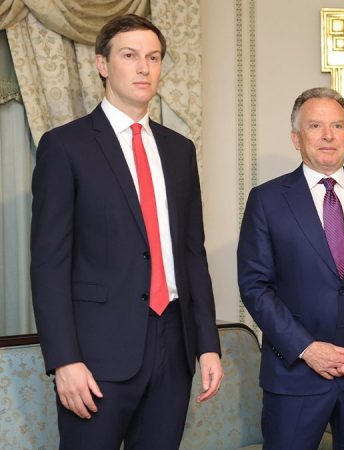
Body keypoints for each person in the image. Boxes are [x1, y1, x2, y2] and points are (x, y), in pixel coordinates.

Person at [30, 14, 223, 449]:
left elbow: (192, 254)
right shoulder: (65, 146)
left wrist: (207, 345)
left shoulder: (179, 150)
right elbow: (48, 263)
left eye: (153, 58)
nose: (143, 68)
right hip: (95, 354)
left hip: (173, 346)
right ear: (102, 64)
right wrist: (64, 360)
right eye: (130, 55)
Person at [237, 87, 344, 450]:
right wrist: (306, 348)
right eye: (315, 126)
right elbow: (255, 286)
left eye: (337, 125)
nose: (328, 135)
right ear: (296, 138)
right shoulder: (267, 200)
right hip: (295, 375)